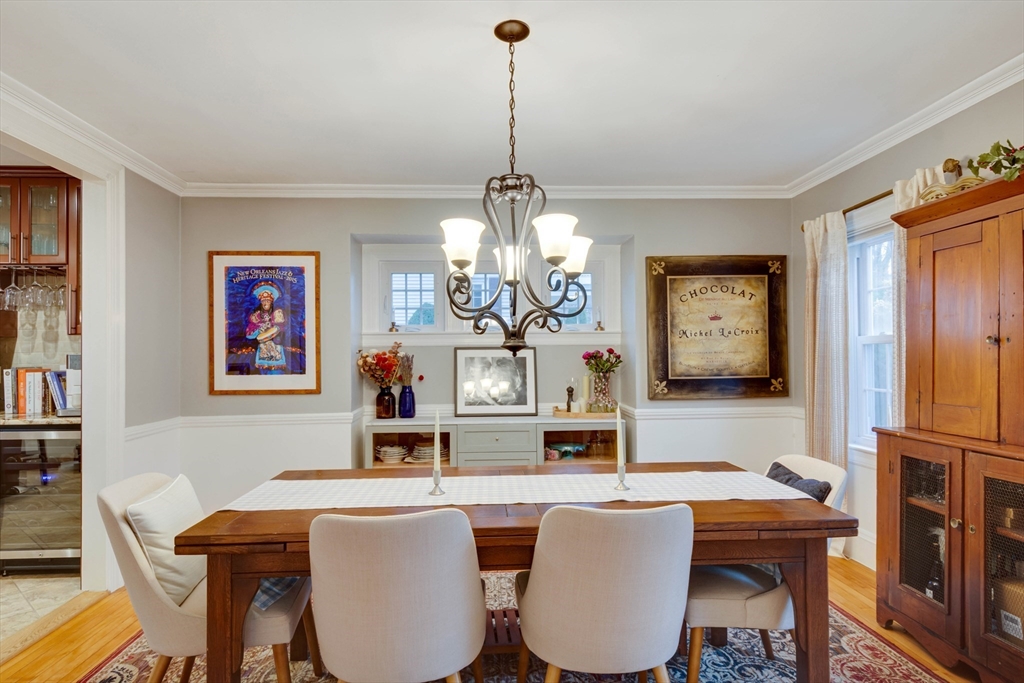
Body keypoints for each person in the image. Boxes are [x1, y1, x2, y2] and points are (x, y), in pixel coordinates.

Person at [244, 281, 286, 371]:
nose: (265, 303)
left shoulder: (277, 313)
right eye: (263, 301)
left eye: (267, 301)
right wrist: (259, 329)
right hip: (261, 345)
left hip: (276, 343)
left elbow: (281, 327)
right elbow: (249, 334)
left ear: (271, 302)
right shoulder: (256, 316)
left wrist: (272, 327)